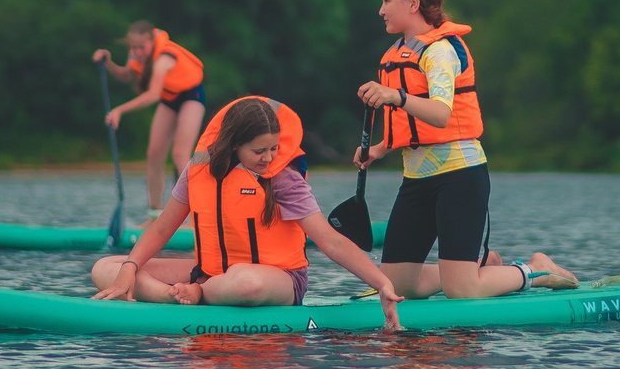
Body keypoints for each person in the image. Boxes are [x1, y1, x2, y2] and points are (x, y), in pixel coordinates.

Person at [355, 0, 578, 300]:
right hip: (416, 180)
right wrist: (380, 148)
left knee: (462, 291)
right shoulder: (398, 54)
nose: (381, 10)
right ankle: (483, 265)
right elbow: (413, 126)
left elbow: (441, 114)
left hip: (459, 177)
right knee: (396, 285)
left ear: (413, 3)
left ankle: (537, 270)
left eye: (387, 1)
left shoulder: (440, 52)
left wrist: (394, 96)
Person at [92, 96, 403, 329]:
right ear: (234, 145)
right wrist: (131, 266)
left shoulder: (284, 178)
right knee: (106, 268)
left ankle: (197, 293)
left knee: (246, 282)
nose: (269, 158)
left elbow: (330, 241)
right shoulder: (198, 170)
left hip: (275, 280)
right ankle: (172, 296)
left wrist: (381, 283)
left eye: (274, 148)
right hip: (210, 273)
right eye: (259, 151)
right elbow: (162, 228)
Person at [91, 21, 207, 211]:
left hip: (192, 96)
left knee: (180, 154)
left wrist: (119, 110)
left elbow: (153, 95)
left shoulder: (164, 59)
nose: (138, 52)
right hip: (169, 98)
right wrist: (108, 63)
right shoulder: (136, 55)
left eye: (142, 47)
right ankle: (154, 215)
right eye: (134, 47)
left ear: (152, 42)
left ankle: (191, 215)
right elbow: (127, 75)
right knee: (153, 155)